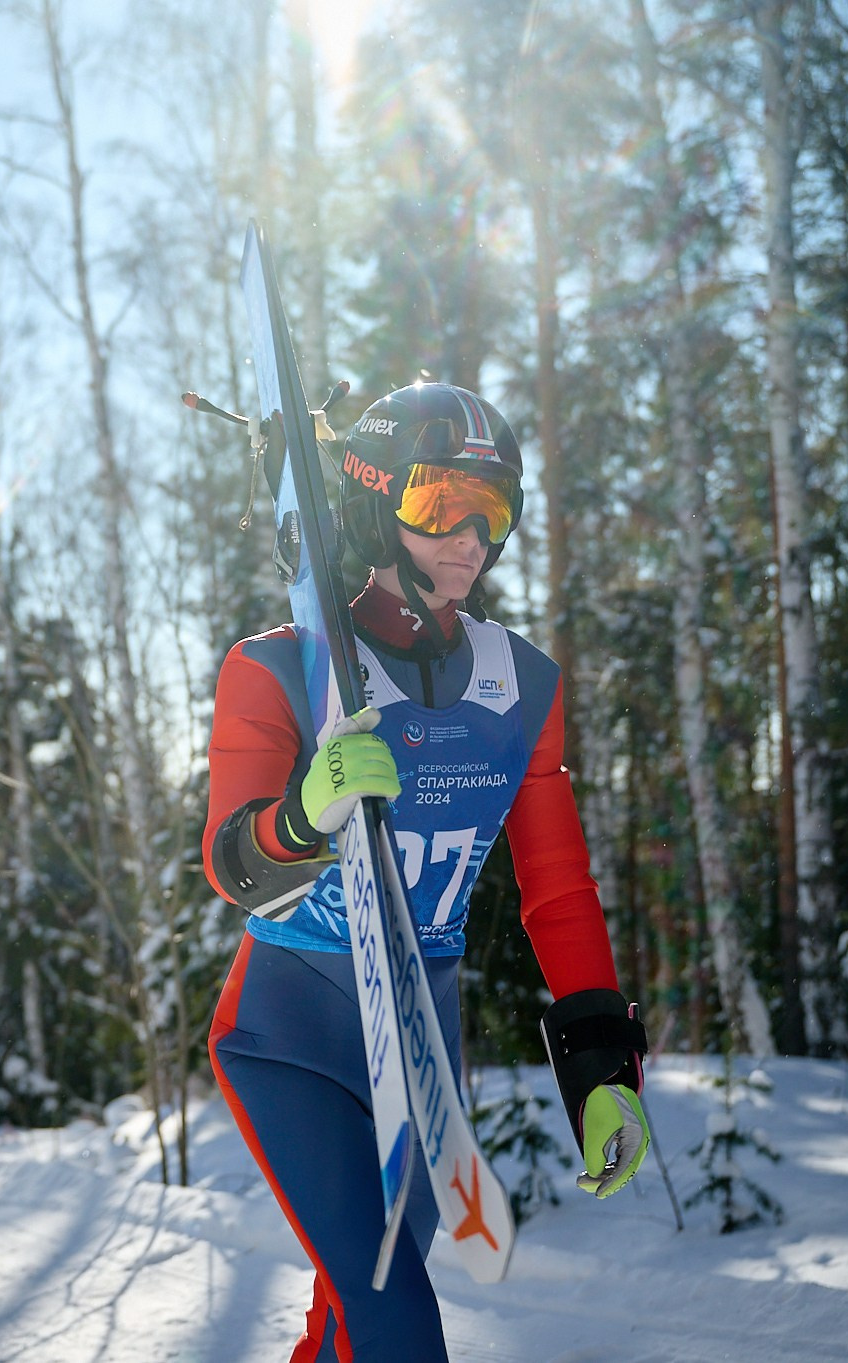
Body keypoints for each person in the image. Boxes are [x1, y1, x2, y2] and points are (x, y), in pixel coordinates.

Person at [203, 383, 651, 1363]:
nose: (470, 537)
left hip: (418, 1048)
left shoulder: (517, 683)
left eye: (493, 509)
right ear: (372, 500)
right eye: (440, 502)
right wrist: (302, 811)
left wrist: (600, 1066)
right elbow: (231, 869)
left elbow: (555, 882)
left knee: (347, 1317)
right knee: (395, 1321)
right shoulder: (278, 668)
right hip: (292, 1034)